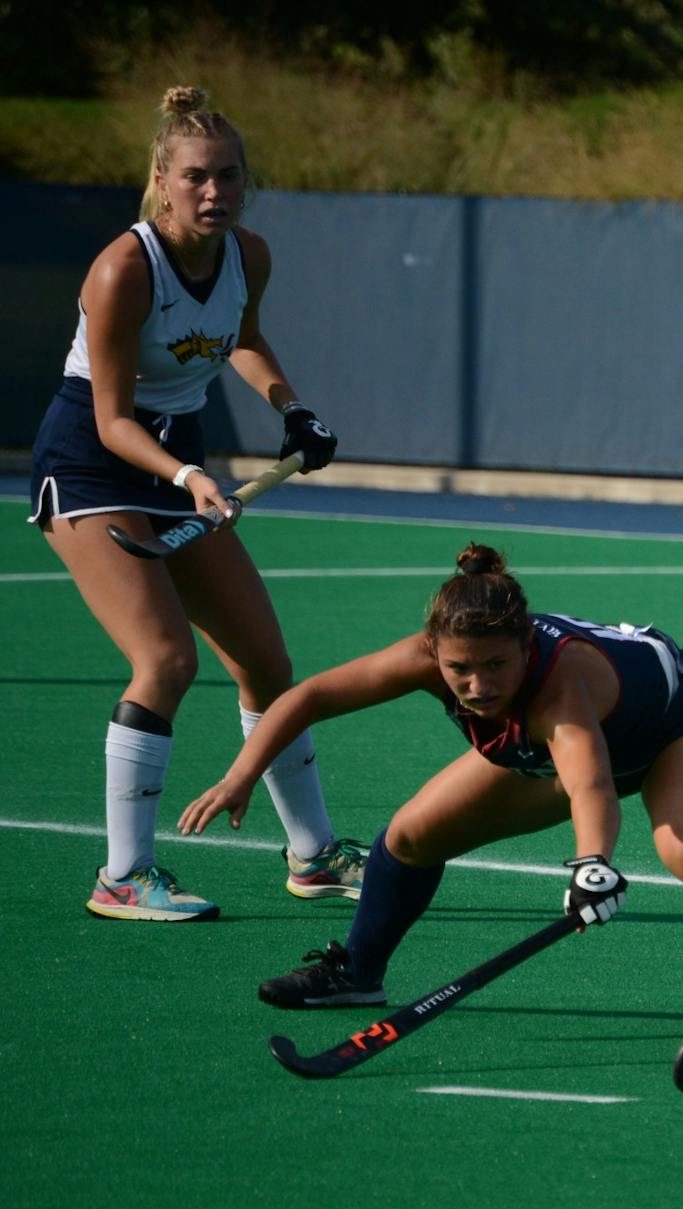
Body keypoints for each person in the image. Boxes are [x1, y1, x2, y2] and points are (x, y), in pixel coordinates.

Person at [179, 543, 683, 1050]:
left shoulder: (562, 684)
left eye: (496, 665)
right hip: (560, 751)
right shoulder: (429, 658)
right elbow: (305, 696)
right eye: (460, 669)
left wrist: (592, 865)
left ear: (526, 643)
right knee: (409, 834)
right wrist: (241, 772)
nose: (476, 684)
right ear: (436, 651)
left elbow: (590, 782)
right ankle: (357, 974)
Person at [27, 86, 360, 921]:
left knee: (266, 663)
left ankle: (314, 856)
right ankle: (123, 874)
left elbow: (242, 340)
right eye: (196, 177)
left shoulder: (249, 253)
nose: (213, 192)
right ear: (161, 180)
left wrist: (292, 408)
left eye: (229, 176)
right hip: (93, 463)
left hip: (172, 456)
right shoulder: (123, 268)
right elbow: (108, 419)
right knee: (167, 660)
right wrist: (186, 477)